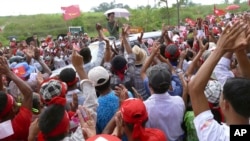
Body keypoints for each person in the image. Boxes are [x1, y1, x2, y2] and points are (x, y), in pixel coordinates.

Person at [188, 21, 250, 141]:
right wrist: (239, 50)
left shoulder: (218, 136)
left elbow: (194, 89)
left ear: (226, 105)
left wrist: (220, 48)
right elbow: (195, 89)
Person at [0, 56, 33, 141]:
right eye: (14, 102)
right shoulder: (20, 123)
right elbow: (29, 93)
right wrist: (9, 73)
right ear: (13, 109)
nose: (17, 104)